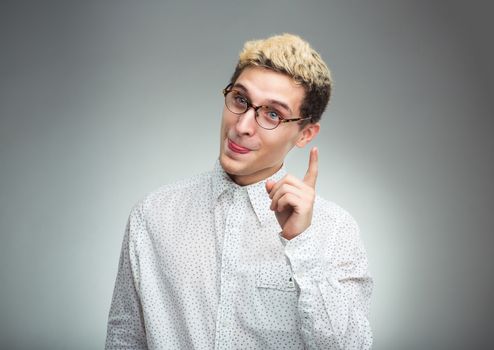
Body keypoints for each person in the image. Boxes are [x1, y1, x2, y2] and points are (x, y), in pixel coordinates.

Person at [105, 33, 373, 349]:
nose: (243, 126)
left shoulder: (334, 230)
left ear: (305, 134)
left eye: (272, 114)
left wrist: (302, 245)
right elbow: (125, 338)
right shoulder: (153, 214)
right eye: (241, 100)